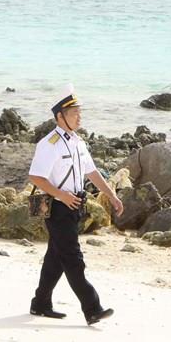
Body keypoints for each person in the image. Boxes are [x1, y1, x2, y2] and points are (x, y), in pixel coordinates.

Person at [28, 85, 125, 325]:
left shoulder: (78, 142)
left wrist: (111, 195)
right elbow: (36, 177)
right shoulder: (49, 143)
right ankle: (92, 307)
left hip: (76, 204)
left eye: (79, 112)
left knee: (56, 257)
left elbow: (92, 172)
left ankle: (40, 303)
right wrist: (61, 195)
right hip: (59, 207)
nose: (79, 117)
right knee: (73, 259)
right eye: (74, 113)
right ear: (60, 116)